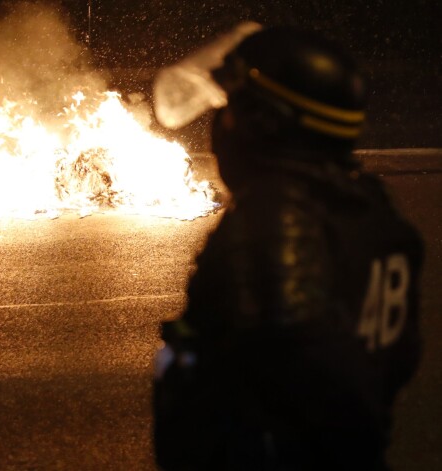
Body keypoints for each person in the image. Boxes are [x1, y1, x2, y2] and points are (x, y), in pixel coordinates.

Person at [153, 26, 423, 470]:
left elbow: (302, 370)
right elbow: (395, 360)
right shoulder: (367, 205)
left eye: (232, 109)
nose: (221, 125)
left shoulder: (276, 218)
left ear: (264, 124)